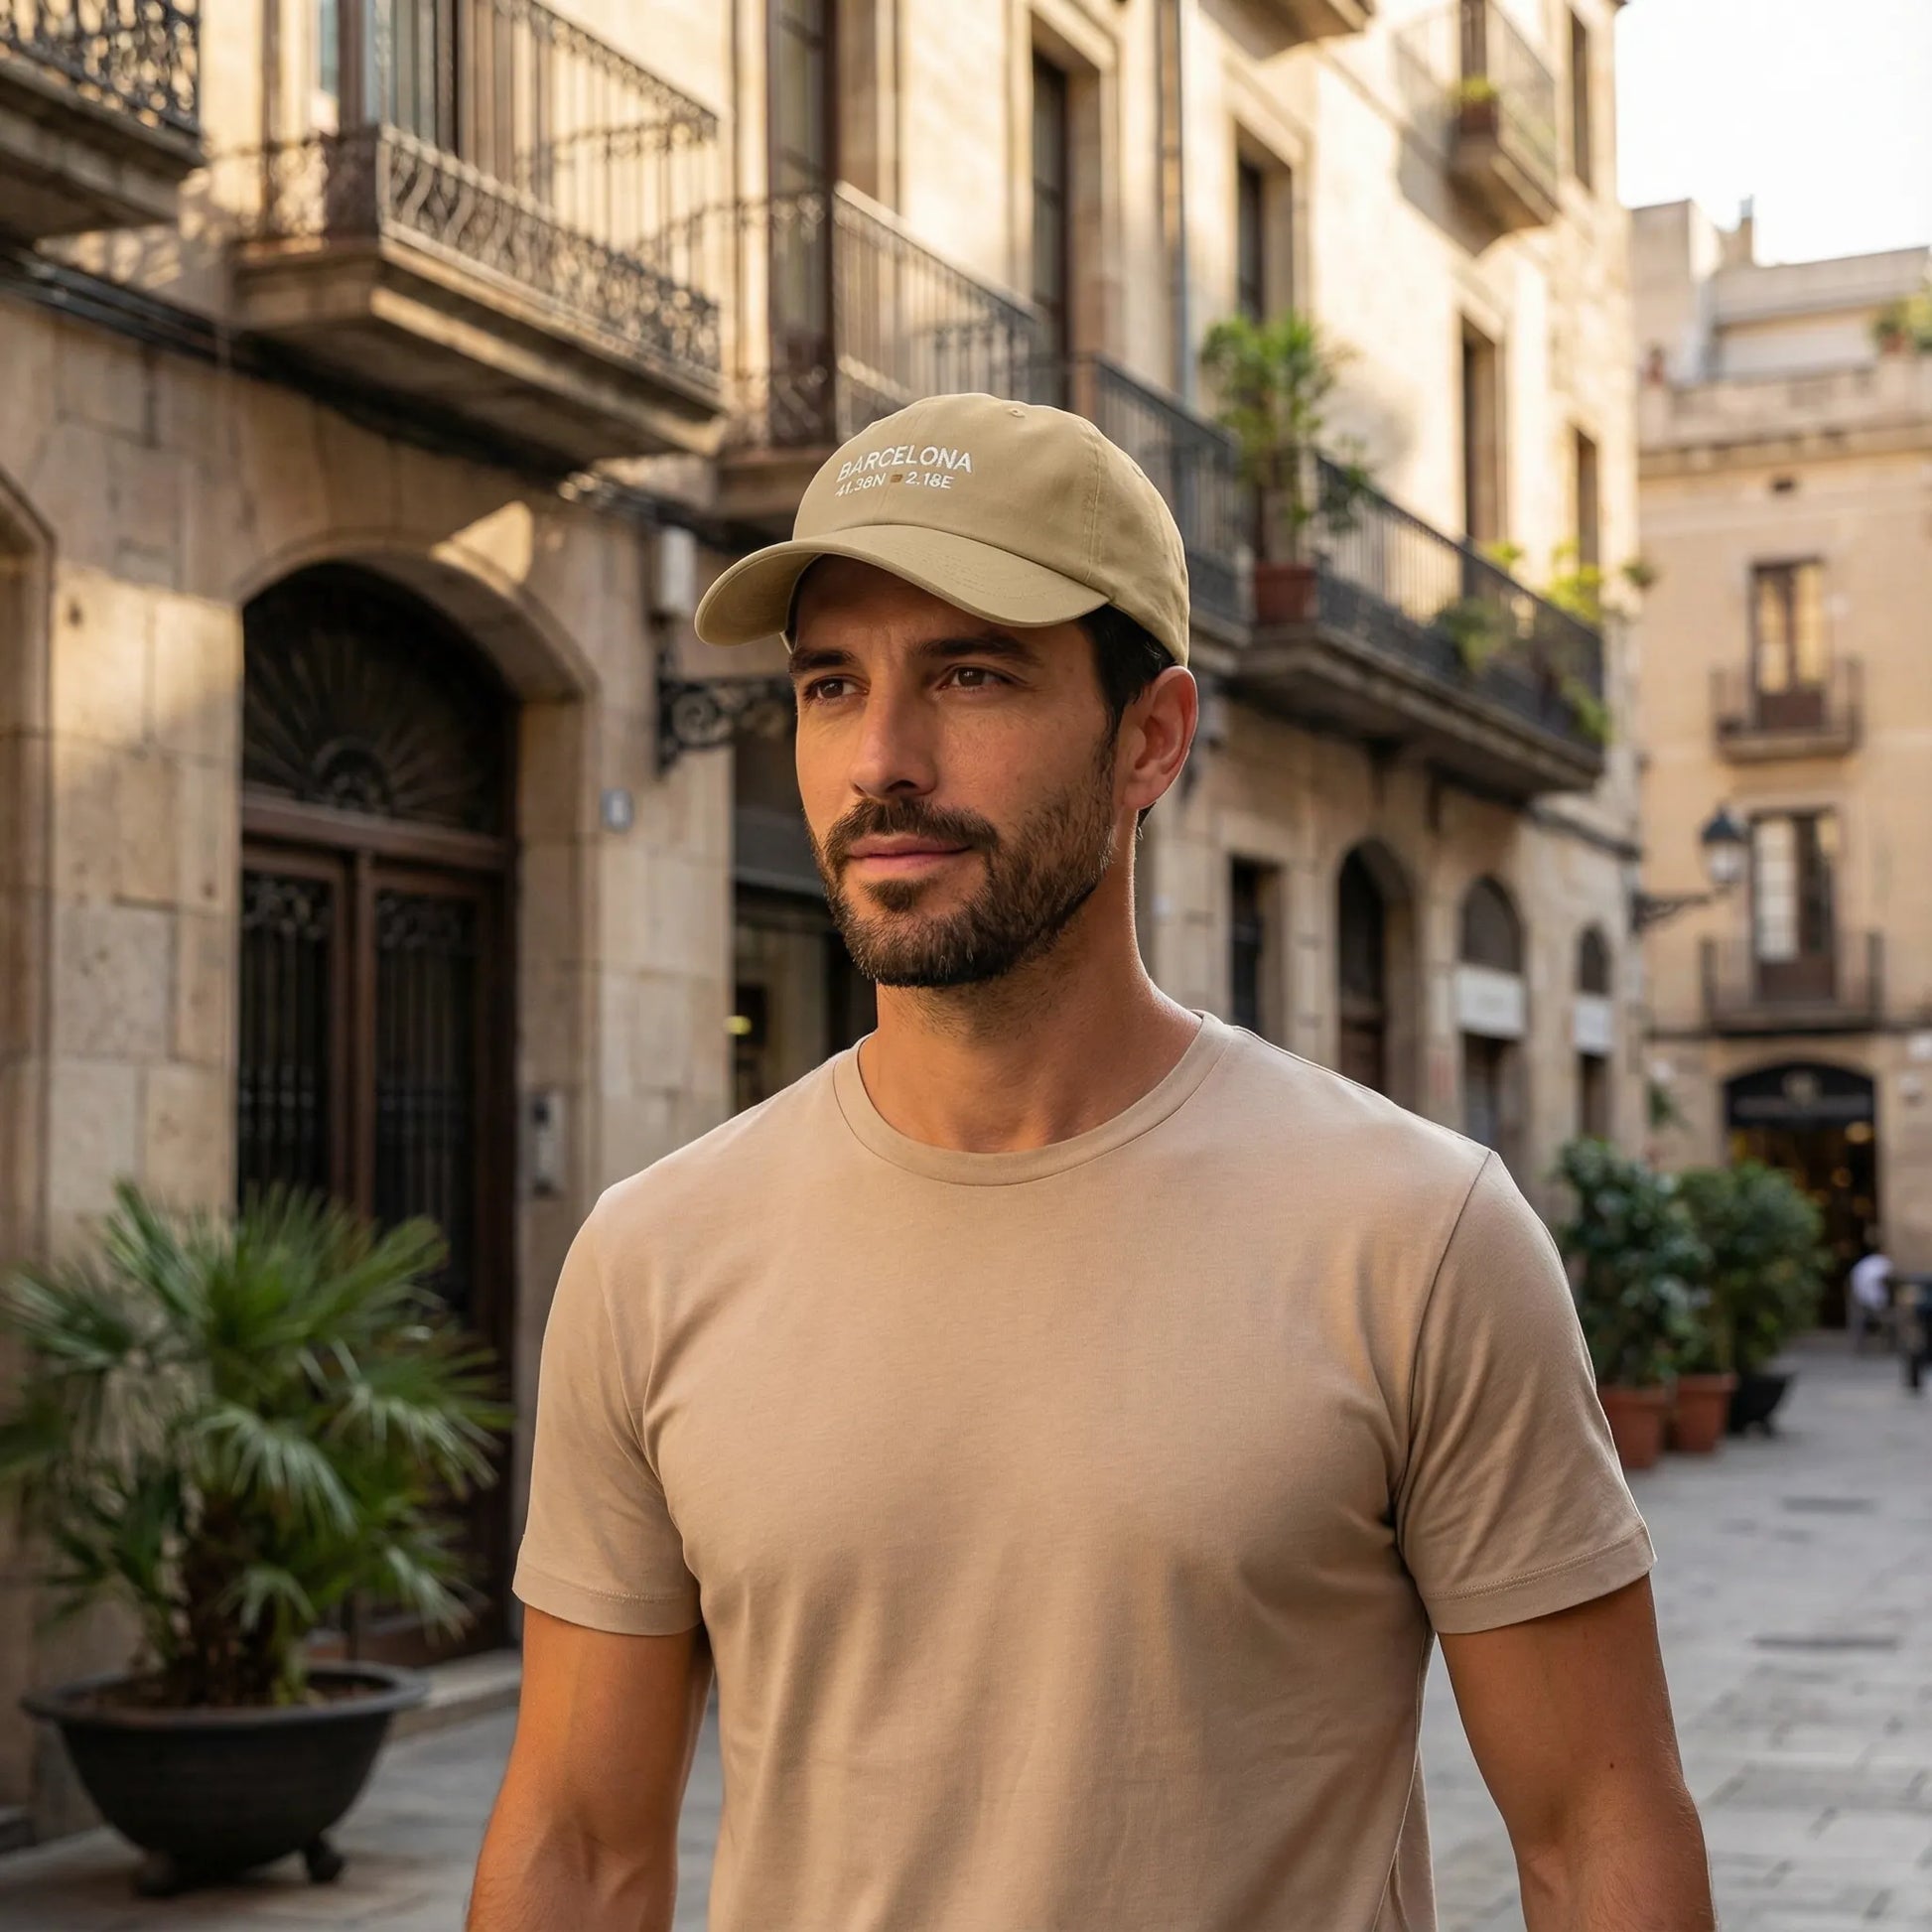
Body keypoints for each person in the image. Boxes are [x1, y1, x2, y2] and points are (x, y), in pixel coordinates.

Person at [469, 394, 1715, 1932]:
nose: (880, 760)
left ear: (1149, 738)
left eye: (970, 674)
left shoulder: (1413, 1233)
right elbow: (579, 1845)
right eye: (830, 683)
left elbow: (1593, 1828)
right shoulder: (653, 1252)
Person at [1848, 1243, 1894, 1353]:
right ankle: (1890, 1345)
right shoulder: (1882, 1262)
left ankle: (1860, 1346)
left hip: (1859, 1300)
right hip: (1875, 1301)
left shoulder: (1862, 1265)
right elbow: (1890, 1279)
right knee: (1894, 1317)